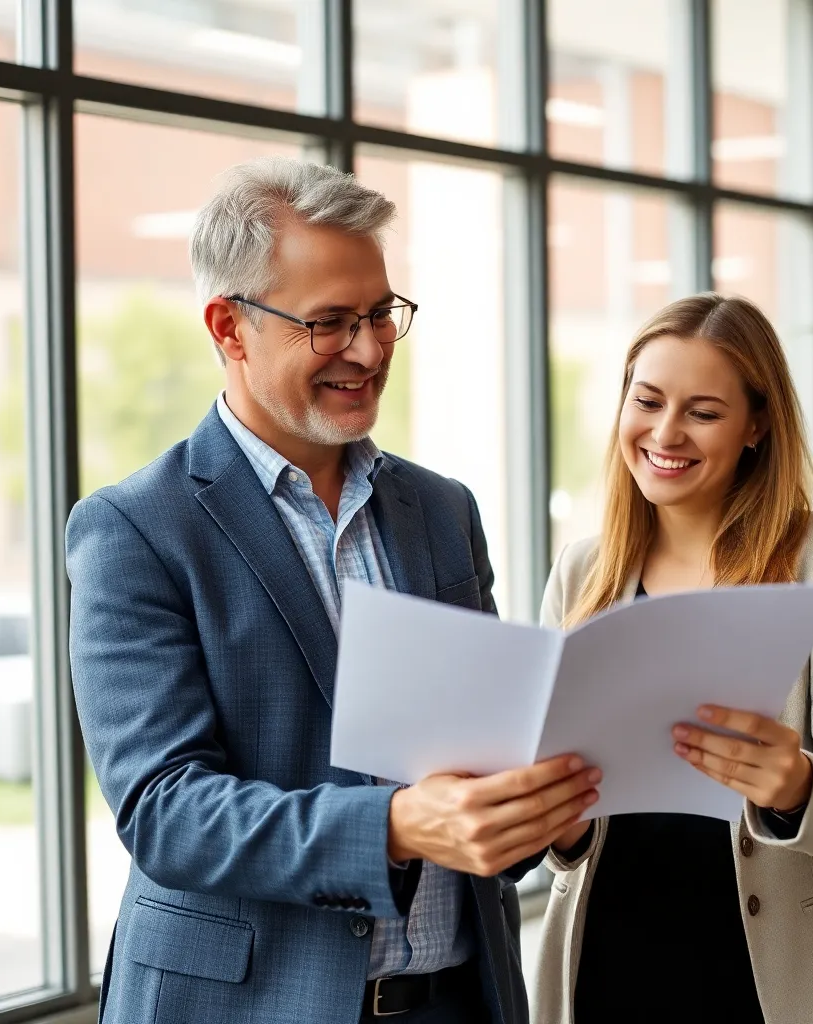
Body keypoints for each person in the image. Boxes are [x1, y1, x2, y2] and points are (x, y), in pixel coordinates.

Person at [66, 157, 601, 1024]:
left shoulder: (441, 510)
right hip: (250, 1005)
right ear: (230, 328)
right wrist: (393, 825)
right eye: (330, 322)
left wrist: (546, 811)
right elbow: (166, 810)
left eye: (381, 313)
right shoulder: (136, 528)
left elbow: (487, 750)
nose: (370, 348)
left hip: (459, 998)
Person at [533, 293, 813, 1024]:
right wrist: (557, 819)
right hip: (607, 962)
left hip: (772, 977)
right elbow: (566, 833)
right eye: (647, 400)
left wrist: (796, 784)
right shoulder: (584, 571)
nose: (665, 433)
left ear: (756, 426)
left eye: (703, 412)